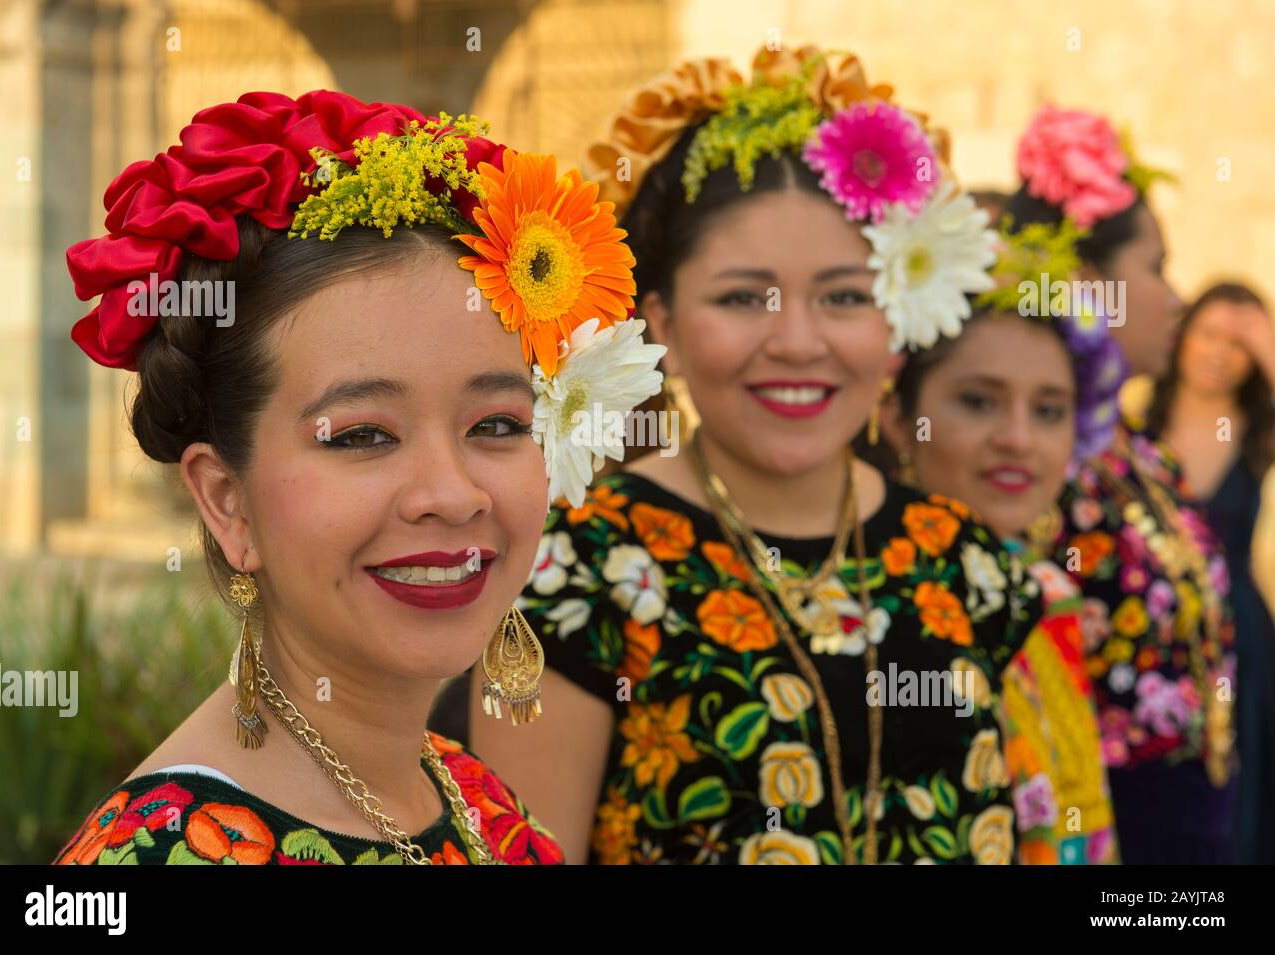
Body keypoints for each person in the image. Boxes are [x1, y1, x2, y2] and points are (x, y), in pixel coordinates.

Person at [52, 90, 663, 865]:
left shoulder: (475, 799)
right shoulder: (155, 856)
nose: (449, 493)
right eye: (363, 435)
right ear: (225, 500)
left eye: (497, 425)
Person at [470, 46, 1043, 865]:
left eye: (844, 296)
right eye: (743, 298)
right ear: (661, 318)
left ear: (895, 316)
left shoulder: (966, 558)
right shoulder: (572, 573)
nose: (799, 342)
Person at [1005, 105, 1238, 863]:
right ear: (1085, 280)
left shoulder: (1134, 451)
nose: (1176, 297)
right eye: (1155, 267)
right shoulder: (1041, 461)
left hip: (1193, 815)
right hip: (1108, 826)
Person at [876, 219, 1126, 863]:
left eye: (1048, 411)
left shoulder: (1048, 593)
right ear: (898, 418)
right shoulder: (870, 610)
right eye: (979, 401)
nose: (1018, 438)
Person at [1146, 281, 1275, 863]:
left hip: (1239, 639)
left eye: (1239, 344)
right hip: (1148, 635)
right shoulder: (1129, 421)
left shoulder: (1258, 438)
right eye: (1210, 334)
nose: (1221, 353)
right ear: (1181, 336)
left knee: (1239, 789)